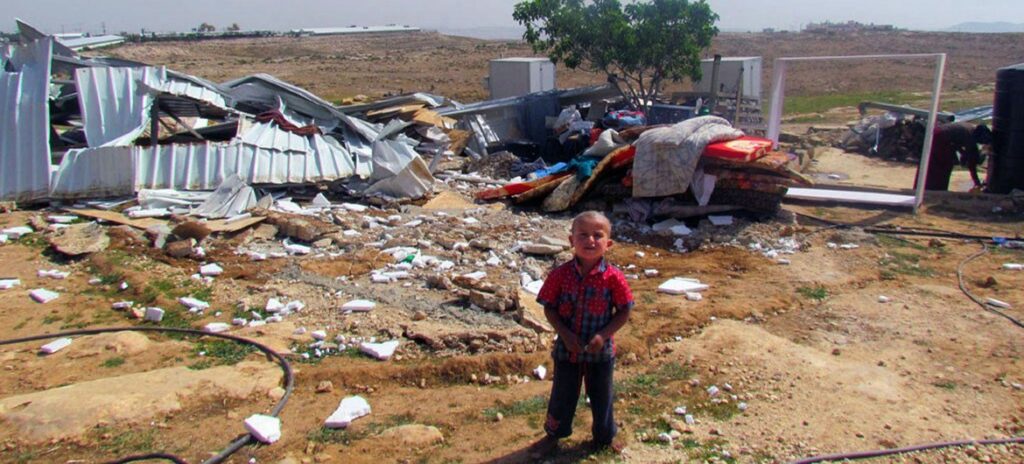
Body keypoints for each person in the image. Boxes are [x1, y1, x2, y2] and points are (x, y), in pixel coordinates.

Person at [530, 211, 634, 457]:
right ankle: (553, 436)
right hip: (568, 350)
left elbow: (624, 310)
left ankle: (604, 437)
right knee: (562, 395)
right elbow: (549, 307)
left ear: (608, 244)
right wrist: (564, 334)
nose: (590, 241)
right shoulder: (560, 275)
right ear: (571, 241)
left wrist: (603, 336)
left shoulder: (613, 278)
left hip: (601, 353)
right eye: (583, 235)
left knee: (602, 396)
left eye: (598, 235)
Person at [917, 122, 992, 191]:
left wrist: (963, 153)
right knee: (943, 165)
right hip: (940, 138)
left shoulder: (969, 128)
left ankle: (923, 187)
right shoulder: (970, 136)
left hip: (934, 134)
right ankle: (938, 189)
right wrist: (977, 182)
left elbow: (957, 142)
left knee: (929, 163)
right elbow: (972, 163)